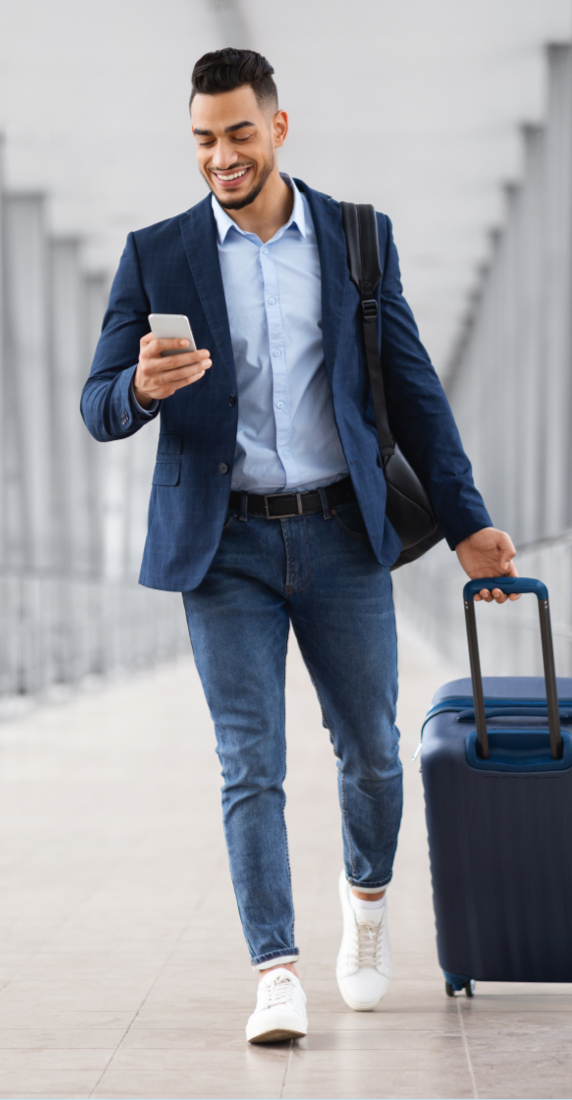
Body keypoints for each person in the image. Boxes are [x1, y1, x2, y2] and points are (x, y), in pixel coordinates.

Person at [81, 47, 518, 1045]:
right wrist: (139, 391)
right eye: (201, 139)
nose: (220, 157)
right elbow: (96, 401)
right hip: (222, 545)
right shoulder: (156, 252)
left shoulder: (357, 240)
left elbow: (412, 391)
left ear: (278, 127)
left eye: (237, 133)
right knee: (249, 761)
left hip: (340, 537)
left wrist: (467, 522)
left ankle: (364, 910)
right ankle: (273, 969)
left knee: (369, 750)